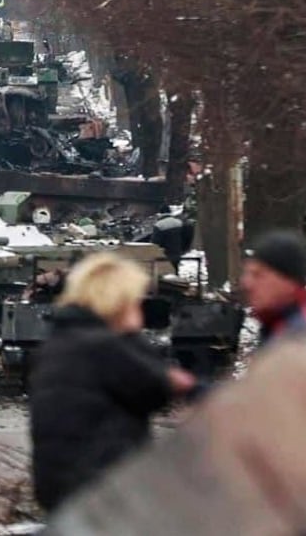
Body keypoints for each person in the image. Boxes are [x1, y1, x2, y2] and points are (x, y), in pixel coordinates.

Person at [28, 252, 196, 513]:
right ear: (117, 301)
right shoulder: (103, 346)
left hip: (64, 486)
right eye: (134, 301)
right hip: (101, 488)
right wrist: (131, 336)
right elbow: (155, 389)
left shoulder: (62, 342)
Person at [240, 229, 306, 348]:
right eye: (247, 274)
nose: (247, 283)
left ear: (287, 280)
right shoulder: (278, 322)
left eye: (258, 275)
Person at [150, 205, 194, 272]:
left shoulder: (159, 225)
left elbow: (155, 243)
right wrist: (183, 249)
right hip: (177, 253)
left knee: (164, 272)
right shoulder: (179, 222)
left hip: (164, 255)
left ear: (160, 214)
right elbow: (186, 237)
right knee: (175, 270)